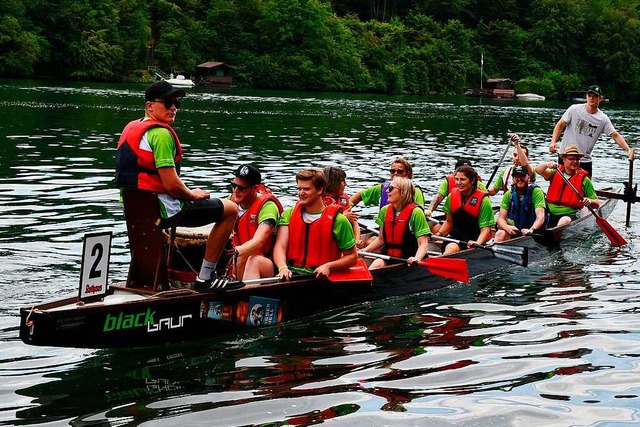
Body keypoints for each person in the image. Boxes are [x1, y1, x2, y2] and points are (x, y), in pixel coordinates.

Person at [115, 81, 238, 285]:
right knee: (231, 209)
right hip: (164, 210)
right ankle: (206, 276)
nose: (173, 107)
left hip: (136, 210)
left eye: (176, 104)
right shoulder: (161, 134)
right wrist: (191, 194)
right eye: (167, 103)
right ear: (150, 106)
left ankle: (149, 279)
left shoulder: (132, 128)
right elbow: (171, 185)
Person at [273, 168, 358, 281]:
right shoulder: (289, 214)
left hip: (319, 276)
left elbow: (352, 257)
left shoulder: (339, 221)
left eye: (306, 189)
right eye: (299, 189)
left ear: (319, 190)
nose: (301, 193)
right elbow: (280, 246)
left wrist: (328, 266)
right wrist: (282, 267)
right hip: (290, 273)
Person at [549, 84, 634, 177]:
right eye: (589, 95)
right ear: (586, 96)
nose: (591, 98)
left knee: (585, 189)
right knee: (562, 186)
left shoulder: (603, 119)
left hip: (585, 160)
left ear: (600, 98)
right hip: (566, 157)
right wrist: (553, 142)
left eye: (594, 96)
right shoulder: (574, 109)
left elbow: (615, 135)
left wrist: (628, 150)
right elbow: (560, 125)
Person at [361, 177, 431, 270]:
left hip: (410, 259)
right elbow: (380, 239)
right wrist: (363, 252)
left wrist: (416, 258)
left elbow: (423, 243)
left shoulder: (416, 212)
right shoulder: (384, 211)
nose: (386, 191)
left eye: (390, 188)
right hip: (389, 256)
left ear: (403, 192)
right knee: (378, 263)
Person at [229, 164, 283, 280]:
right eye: (234, 186)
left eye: (242, 188)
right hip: (237, 258)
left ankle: (244, 296)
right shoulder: (230, 202)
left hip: (266, 263)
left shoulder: (268, 207)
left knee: (252, 260)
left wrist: (234, 252)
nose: (236, 191)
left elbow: (259, 241)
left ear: (255, 188)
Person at [434, 165, 495, 255]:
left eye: (462, 179)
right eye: (456, 179)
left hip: (476, 240)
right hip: (456, 239)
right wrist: (438, 234)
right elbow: (449, 222)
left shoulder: (484, 200)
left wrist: (477, 243)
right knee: (451, 248)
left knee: (454, 249)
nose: (458, 183)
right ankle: (442, 260)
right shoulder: (452, 196)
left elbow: (485, 230)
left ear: (472, 180)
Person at [535, 144, 600, 228]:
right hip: (549, 211)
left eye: (577, 159)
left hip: (570, 214)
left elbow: (597, 204)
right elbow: (538, 170)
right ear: (564, 159)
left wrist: (589, 201)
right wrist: (547, 164)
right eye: (571, 159)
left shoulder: (584, 180)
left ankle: (554, 235)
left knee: (564, 220)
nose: (575, 161)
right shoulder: (555, 172)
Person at [494, 166, 547, 242]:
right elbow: (501, 218)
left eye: (522, 176)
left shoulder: (536, 192)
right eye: (516, 176)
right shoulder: (509, 194)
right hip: (515, 231)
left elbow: (540, 217)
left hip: (532, 232)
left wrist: (531, 230)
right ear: (513, 179)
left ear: (528, 178)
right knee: (500, 234)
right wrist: (507, 227)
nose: (519, 179)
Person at [349, 157, 425, 210]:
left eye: (399, 171)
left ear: (407, 173)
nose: (395, 173)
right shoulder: (383, 188)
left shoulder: (415, 191)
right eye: (392, 171)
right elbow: (360, 195)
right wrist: (345, 210)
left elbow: (419, 212)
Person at [322, 166, 363, 247]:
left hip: (345, 242)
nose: (346, 184)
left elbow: (354, 223)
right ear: (334, 182)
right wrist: (343, 217)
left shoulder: (344, 198)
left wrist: (357, 240)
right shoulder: (319, 200)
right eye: (343, 181)